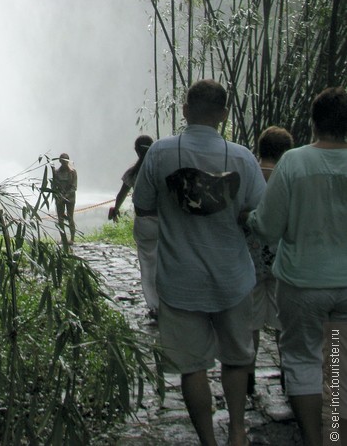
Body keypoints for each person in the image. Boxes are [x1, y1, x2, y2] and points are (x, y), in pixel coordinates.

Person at [133, 79, 266, 446]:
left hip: (179, 278)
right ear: (224, 115)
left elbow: (144, 208)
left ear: (185, 110)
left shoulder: (160, 154)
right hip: (233, 276)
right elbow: (259, 214)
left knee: (192, 367)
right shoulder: (242, 158)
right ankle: (237, 430)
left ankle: (208, 440)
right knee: (237, 357)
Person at [245, 87, 347, 446]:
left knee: (304, 359)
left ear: (313, 122)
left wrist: (251, 219)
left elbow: (269, 226)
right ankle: (337, 433)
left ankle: (314, 439)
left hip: (304, 283)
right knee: (338, 360)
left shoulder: (295, 162)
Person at [245, 125, 293, 396]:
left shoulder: (248, 174)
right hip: (280, 260)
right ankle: (287, 373)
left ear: (260, 148)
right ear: (285, 151)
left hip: (249, 260)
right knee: (282, 321)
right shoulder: (288, 176)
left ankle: (248, 377)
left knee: (250, 323)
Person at [108, 134, 158, 319]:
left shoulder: (134, 172)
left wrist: (115, 209)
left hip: (144, 223)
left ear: (136, 151)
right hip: (165, 223)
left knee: (148, 265)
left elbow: (122, 194)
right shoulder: (161, 169)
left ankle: (154, 305)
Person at [51, 153, 77, 247]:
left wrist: (65, 196)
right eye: (63, 161)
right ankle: (63, 238)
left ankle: (72, 238)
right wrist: (58, 195)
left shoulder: (73, 172)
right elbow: (53, 185)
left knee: (70, 218)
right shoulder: (56, 172)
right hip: (59, 198)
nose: (65, 163)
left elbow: (74, 187)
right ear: (60, 161)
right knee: (60, 219)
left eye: (66, 161)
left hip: (70, 198)